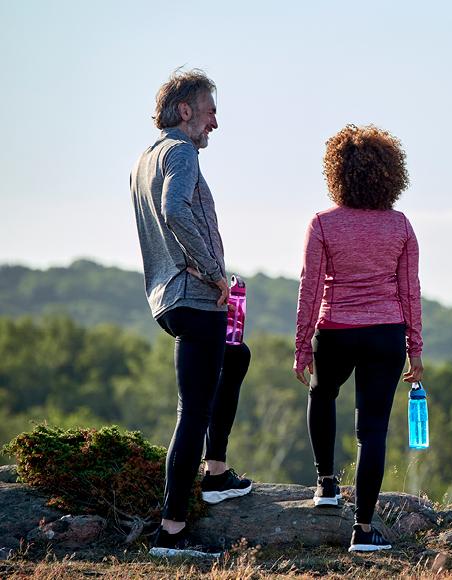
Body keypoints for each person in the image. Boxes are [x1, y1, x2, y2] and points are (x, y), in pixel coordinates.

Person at [130, 68, 253, 558]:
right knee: (193, 414)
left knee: (237, 357)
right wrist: (214, 273)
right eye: (209, 112)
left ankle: (217, 472)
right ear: (186, 111)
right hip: (193, 294)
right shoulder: (180, 152)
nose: (214, 124)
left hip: (168, 298)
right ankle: (173, 531)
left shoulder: (146, 158)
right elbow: (176, 209)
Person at [294, 124, 424, 552]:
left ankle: (326, 484)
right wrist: (415, 351)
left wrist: (301, 347)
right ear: (389, 174)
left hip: (334, 333)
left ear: (338, 173)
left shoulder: (322, 223)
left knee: (322, 393)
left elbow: (310, 287)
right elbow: (410, 292)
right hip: (385, 335)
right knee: (373, 431)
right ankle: (364, 531)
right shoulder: (400, 225)